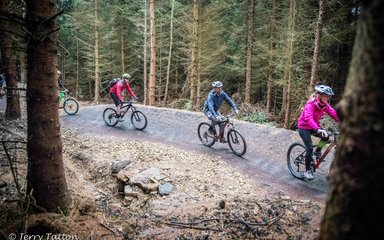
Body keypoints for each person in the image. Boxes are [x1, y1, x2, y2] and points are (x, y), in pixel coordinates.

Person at [297, 84, 340, 180]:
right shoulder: (310, 104)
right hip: (304, 127)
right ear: (319, 95)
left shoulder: (325, 105)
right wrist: (318, 129)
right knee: (309, 149)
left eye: (328, 96)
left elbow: (334, 113)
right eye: (325, 96)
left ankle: (317, 152)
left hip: (314, 126)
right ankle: (307, 171)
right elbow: (308, 118)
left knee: (326, 136)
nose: (327, 98)